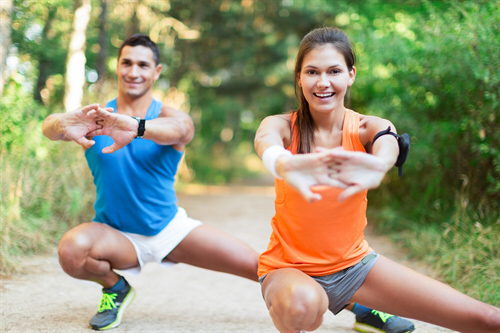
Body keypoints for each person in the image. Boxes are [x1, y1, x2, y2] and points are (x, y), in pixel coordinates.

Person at [42, 34, 414, 333]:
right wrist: (61, 122)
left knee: (265, 268)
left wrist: (135, 127)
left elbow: (180, 130)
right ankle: (115, 289)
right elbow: (52, 127)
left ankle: (362, 307)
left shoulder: (168, 115)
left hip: (172, 230)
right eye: (127, 63)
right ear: (118, 67)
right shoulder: (96, 117)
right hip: (117, 236)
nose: (134, 71)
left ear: (156, 71)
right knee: (72, 250)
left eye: (143, 64)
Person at [254, 26, 500, 333]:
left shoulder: (366, 127)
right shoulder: (282, 126)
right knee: (303, 305)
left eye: (334, 71)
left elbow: (388, 139)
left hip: (355, 269)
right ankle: (341, 306)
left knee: (489, 320)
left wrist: (378, 164)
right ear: (299, 77)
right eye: (312, 72)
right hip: (288, 270)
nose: (323, 82)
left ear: (351, 74)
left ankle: (358, 304)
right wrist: (283, 162)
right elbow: (265, 140)